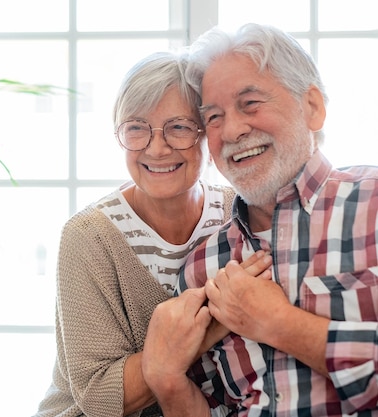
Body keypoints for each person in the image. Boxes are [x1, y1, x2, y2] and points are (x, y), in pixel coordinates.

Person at [141, 23, 378, 416]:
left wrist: (280, 323)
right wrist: (165, 379)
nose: (232, 129)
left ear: (312, 107)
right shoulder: (202, 268)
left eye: (250, 104)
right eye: (213, 117)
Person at [33, 51, 272, 417]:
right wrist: (212, 323)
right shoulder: (88, 237)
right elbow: (98, 397)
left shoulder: (238, 212)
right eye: (136, 127)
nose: (156, 148)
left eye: (178, 127)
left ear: (206, 133)